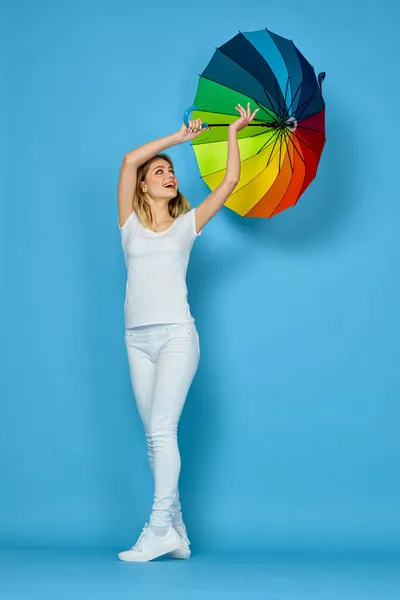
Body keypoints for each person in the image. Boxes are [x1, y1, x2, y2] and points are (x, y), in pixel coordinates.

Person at [117, 103, 259, 562]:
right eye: (158, 172)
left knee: (162, 430)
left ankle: (158, 528)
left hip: (177, 336)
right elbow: (127, 159)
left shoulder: (186, 226)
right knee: (152, 437)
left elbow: (230, 183)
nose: (167, 175)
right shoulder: (130, 226)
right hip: (136, 341)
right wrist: (176, 139)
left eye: (171, 171)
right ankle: (177, 531)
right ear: (143, 184)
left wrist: (235, 131)